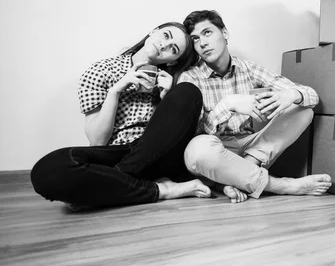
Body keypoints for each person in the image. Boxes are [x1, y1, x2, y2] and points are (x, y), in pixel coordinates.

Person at [30, 22, 215, 209]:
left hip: (156, 156)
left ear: (172, 61)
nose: (164, 45)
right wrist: (115, 91)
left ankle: (111, 183)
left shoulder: (171, 80)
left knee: (187, 91)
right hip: (117, 152)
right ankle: (162, 190)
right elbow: (97, 141)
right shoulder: (102, 71)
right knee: (48, 169)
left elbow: (183, 136)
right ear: (153, 31)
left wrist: (168, 97)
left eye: (173, 49)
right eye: (165, 36)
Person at [180, 10, 332, 204]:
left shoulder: (248, 69)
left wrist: (291, 94)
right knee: (197, 151)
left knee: (303, 110)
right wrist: (228, 105)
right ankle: (283, 186)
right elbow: (194, 132)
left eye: (207, 32)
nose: (202, 43)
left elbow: (311, 96)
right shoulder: (190, 77)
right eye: (195, 39)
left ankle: (239, 174)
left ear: (224, 33)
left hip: (252, 148)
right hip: (217, 149)